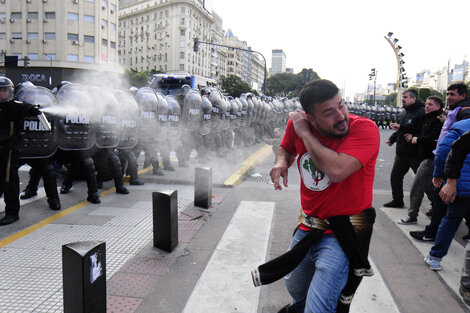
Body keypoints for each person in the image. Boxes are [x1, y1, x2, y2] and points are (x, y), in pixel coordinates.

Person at [266, 79, 380, 313]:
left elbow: (336, 171)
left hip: (341, 235)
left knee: (319, 308)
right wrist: (281, 162)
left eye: (341, 105)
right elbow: (286, 148)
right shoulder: (296, 125)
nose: (341, 116)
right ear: (311, 118)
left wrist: (306, 135)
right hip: (307, 227)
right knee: (295, 286)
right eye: (329, 112)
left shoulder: (364, 129)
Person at [410, 83, 470, 241]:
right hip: (449, 161)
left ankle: (431, 233)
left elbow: (460, 142)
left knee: (441, 199)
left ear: (463, 96)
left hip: (450, 163)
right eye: (448, 94)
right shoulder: (455, 110)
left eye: (453, 94)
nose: (449, 97)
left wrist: (446, 171)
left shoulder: (464, 112)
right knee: (454, 201)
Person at [423, 118, 470, 271]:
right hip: (461, 182)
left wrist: (441, 176)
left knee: (451, 219)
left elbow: (444, 150)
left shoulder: (461, 126)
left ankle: (435, 257)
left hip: (460, 183)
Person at [0, 77, 41, 225]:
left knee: (9, 180)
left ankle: (12, 213)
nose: (2, 94)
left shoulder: (15, 106)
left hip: (9, 149)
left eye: (5, 91)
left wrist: (34, 108)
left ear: (10, 92)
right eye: (0, 91)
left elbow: (27, 108)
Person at [397, 96, 443, 224]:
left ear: (438, 107)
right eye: (426, 104)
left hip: (431, 158)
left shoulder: (438, 120)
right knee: (430, 187)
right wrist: (405, 131)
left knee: (417, 187)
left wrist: (418, 139)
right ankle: (441, 208)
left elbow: (434, 138)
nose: (426, 106)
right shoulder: (427, 118)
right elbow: (417, 130)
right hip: (425, 157)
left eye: (430, 104)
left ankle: (412, 215)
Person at [384, 89, 425, 208]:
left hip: (415, 153)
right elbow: (400, 130)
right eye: (403, 97)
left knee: (423, 180)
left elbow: (423, 131)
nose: (403, 99)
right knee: (395, 177)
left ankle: (436, 204)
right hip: (401, 152)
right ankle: (397, 200)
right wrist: (392, 139)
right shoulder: (404, 112)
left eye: (406, 97)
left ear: (414, 99)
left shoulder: (421, 112)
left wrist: (414, 135)